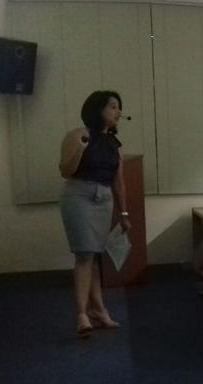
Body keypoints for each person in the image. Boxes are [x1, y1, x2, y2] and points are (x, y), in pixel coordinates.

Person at [58, 90, 129, 338]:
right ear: (97, 109)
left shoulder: (114, 145)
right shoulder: (77, 135)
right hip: (78, 195)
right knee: (84, 254)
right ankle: (82, 314)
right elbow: (65, 171)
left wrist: (124, 213)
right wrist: (80, 148)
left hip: (104, 198)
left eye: (119, 107)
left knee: (94, 256)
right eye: (113, 106)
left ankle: (99, 310)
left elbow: (119, 183)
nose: (118, 112)